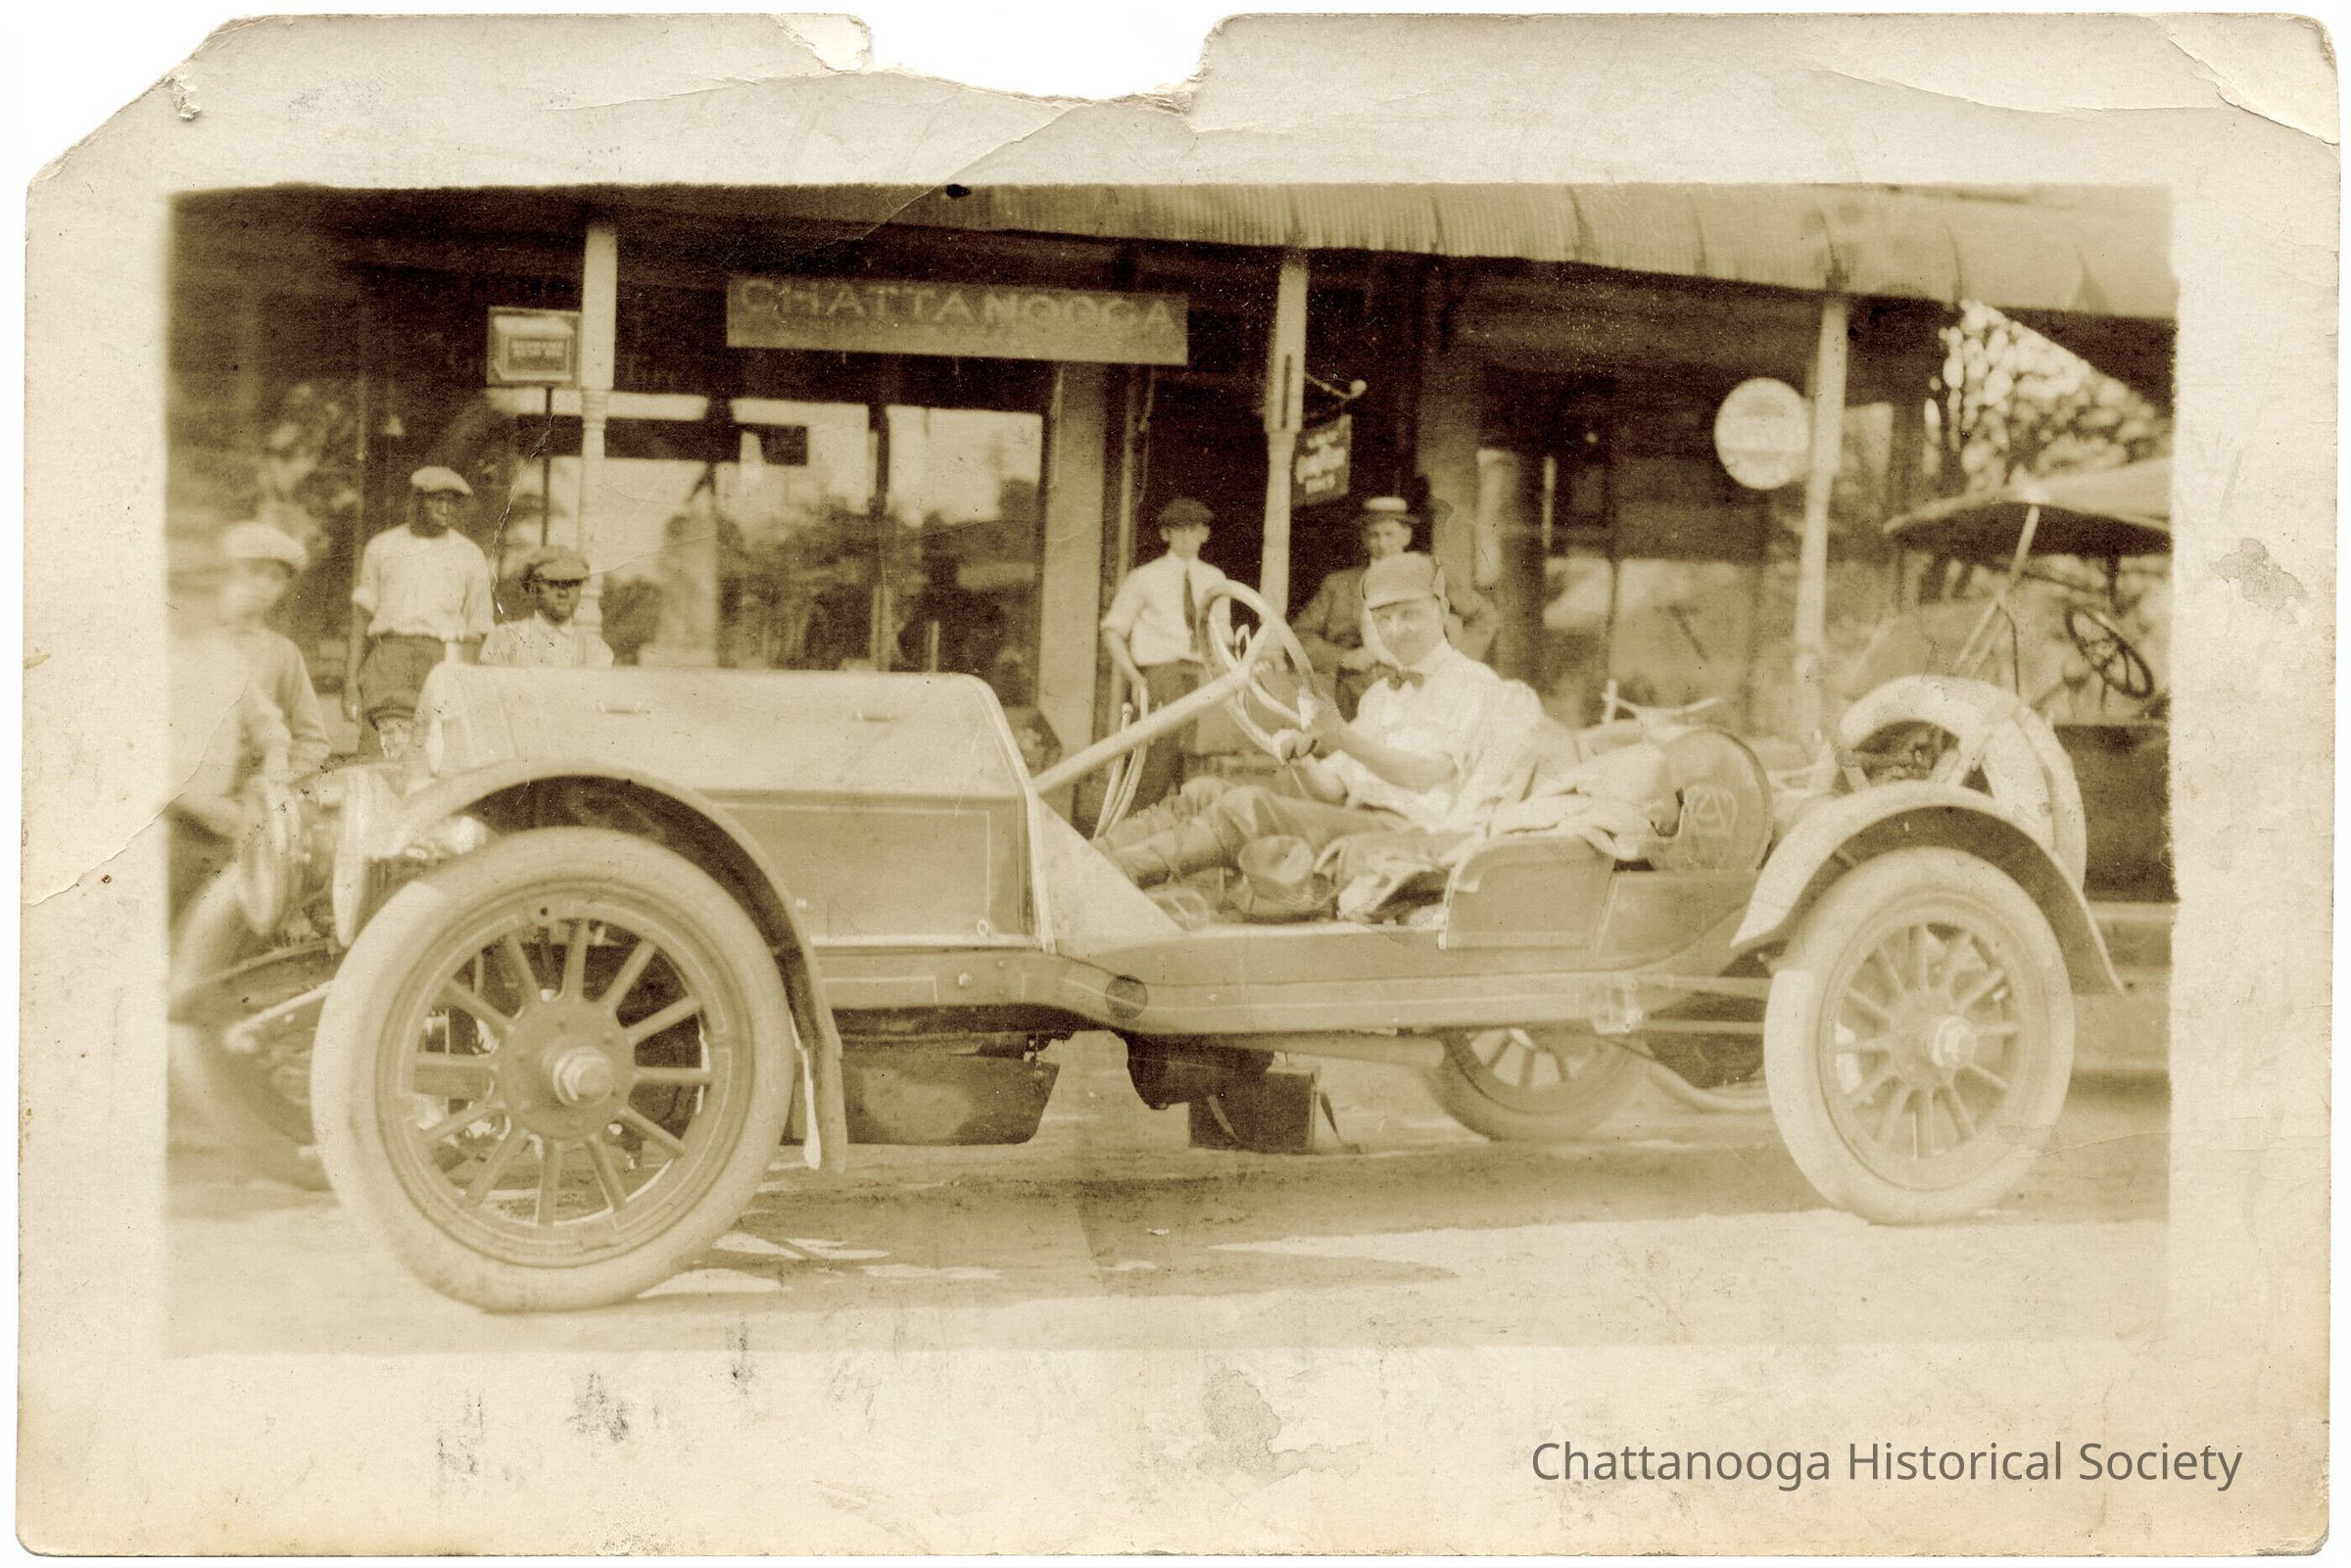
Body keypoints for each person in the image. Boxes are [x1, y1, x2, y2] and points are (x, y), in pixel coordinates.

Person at [1105, 552, 1539, 889]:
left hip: (1411, 831)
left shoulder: (1475, 686)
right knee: (1205, 791)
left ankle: (1117, 875)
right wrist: (1304, 759)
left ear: (1442, 610)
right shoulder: (1380, 696)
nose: (1395, 629)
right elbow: (1334, 791)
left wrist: (1341, 736)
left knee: (1247, 806)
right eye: (1383, 619)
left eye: (1409, 614)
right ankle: (1092, 855)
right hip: (1356, 816)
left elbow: (1424, 778)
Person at [1292, 496, 1500, 716]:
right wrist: (1344, 658)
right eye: (1374, 535)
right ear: (1364, 539)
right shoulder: (1338, 585)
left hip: (1421, 689)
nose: (1382, 544)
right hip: (1357, 692)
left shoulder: (1429, 574)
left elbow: (1484, 615)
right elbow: (1298, 636)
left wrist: (1453, 664)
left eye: (1389, 534)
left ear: (1406, 536)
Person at [344, 465, 495, 755]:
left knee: (438, 750)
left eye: (452, 502)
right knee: (377, 750)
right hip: (389, 658)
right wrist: (350, 683)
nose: (445, 509)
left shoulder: (469, 554)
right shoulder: (383, 546)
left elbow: (479, 628)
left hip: (442, 660)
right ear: (416, 500)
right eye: (437, 500)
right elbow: (361, 619)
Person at [1100, 497, 1226, 809]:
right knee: (1156, 760)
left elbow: (1222, 635)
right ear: (1165, 534)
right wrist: (1136, 678)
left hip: (1204, 675)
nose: (1186, 537)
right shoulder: (1144, 577)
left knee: (1199, 761)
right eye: (1178, 530)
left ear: (1205, 534)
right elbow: (1112, 630)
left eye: (1193, 529)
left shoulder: (1216, 579)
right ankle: (1132, 828)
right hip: (1162, 675)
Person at [216, 519, 331, 776]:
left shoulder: (282, 652)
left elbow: (312, 740)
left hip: (259, 782)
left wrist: (282, 780)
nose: (263, 584)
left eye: (275, 577)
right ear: (227, 573)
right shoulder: (199, 640)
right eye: (253, 571)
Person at [480, 545, 614, 668]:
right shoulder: (505, 638)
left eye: (573, 584)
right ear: (533, 588)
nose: (563, 593)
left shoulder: (594, 649)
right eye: (553, 584)